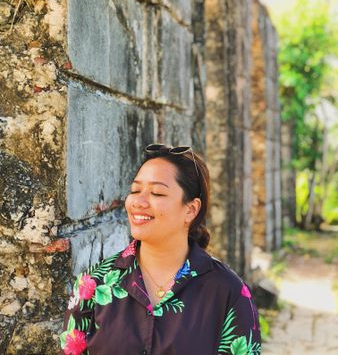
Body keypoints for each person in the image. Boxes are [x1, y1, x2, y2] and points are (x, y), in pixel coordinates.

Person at [60, 143, 261, 355]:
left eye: (157, 193)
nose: (138, 201)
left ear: (191, 210)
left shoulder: (228, 292)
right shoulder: (93, 284)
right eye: (135, 190)